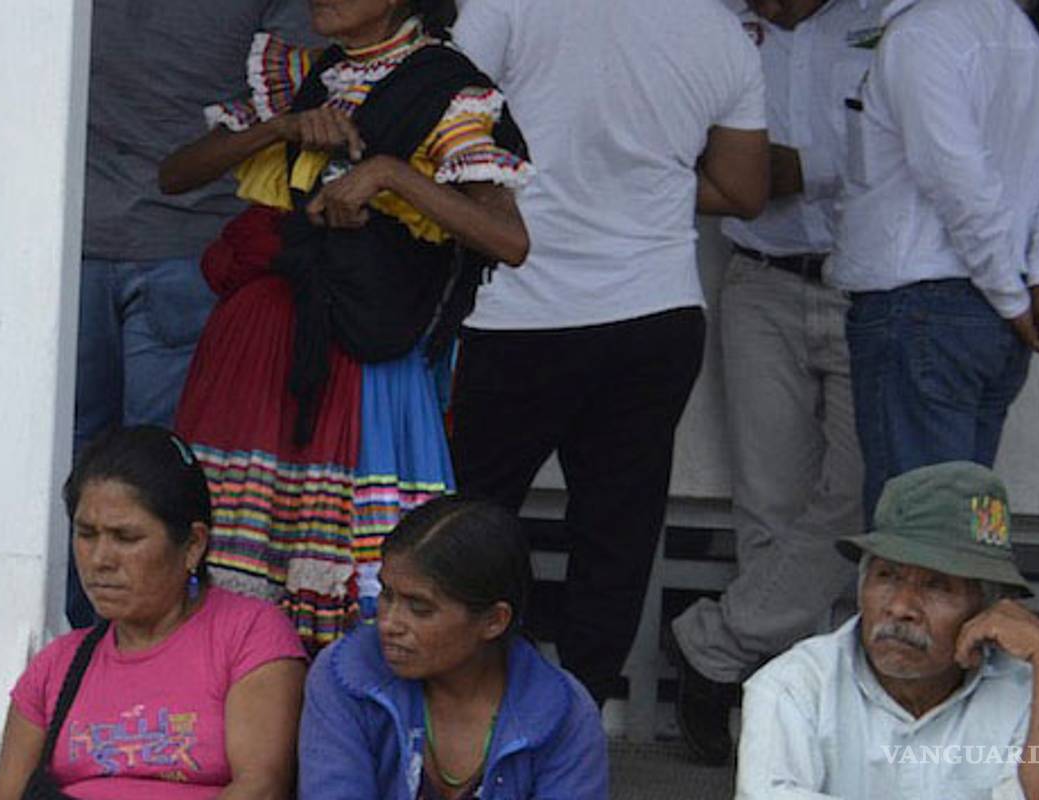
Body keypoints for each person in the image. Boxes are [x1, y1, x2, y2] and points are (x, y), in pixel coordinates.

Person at [158, 0, 532, 651]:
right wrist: (280, 130)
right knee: (234, 582)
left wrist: (387, 175)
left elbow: (508, 239)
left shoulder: (449, 91)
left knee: (356, 590)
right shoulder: (307, 77)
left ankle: (339, 734)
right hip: (255, 365)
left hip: (362, 372)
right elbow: (176, 175)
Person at [449, 0, 769, 707]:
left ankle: (459, 706)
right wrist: (645, 186)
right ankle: (581, 713)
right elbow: (746, 189)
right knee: (615, 532)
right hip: (655, 308)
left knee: (465, 519)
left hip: (516, 307)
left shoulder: (505, 5)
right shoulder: (719, 30)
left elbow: (445, 125)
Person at [666, 0, 879, 766]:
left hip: (870, 284)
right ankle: (793, 724)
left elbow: (922, 142)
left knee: (863, 498)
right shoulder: (712, 23)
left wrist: (803, 169)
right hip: (758, 278)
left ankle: (711, 645)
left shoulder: (887, 17)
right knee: (767, 509)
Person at [67, 0, 320, 629]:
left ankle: (79, 652)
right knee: (170, 474)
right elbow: (309, 93)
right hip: (192, 249)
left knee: (74, 465)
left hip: (74, 243)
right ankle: (146, 655)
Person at [829, 0, 1039, 523]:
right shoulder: (1017, 34)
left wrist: (1016, 295)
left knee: (916, 535)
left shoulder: (921, 35)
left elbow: (961, 185)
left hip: (923, 311)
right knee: (958, 537)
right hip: (984, 319)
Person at [735, 461, 1039, 799]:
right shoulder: (795, 686)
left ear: (986, 609)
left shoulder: (1029, 692)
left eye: (937, 586)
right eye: (886, 576)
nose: (901, 607)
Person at [0, 426, 307, 800]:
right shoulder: (56, 665)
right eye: (86, 534)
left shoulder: (250, 634)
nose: (100, 560)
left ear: (192, 545)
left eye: (126, 538)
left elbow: (261, 788)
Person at [299, 496, 609, 800]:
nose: (388, 623)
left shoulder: (565, 714)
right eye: (386, 594)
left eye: (420, 608)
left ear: (494, 621)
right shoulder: (345, 674)